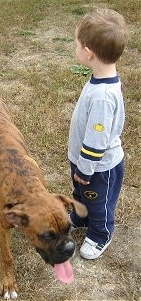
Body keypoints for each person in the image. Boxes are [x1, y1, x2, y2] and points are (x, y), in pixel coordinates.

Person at [68, 8, 128, 260]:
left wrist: (85, 169)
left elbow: (97, 140)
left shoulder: (102, 96)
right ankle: (80, 216)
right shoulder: (100, 79)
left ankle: (100, 233)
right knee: (81, 195)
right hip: (85, 163)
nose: (76, 48)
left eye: (77, 44)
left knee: (98, 201)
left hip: (97, 168)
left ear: (89, 52)